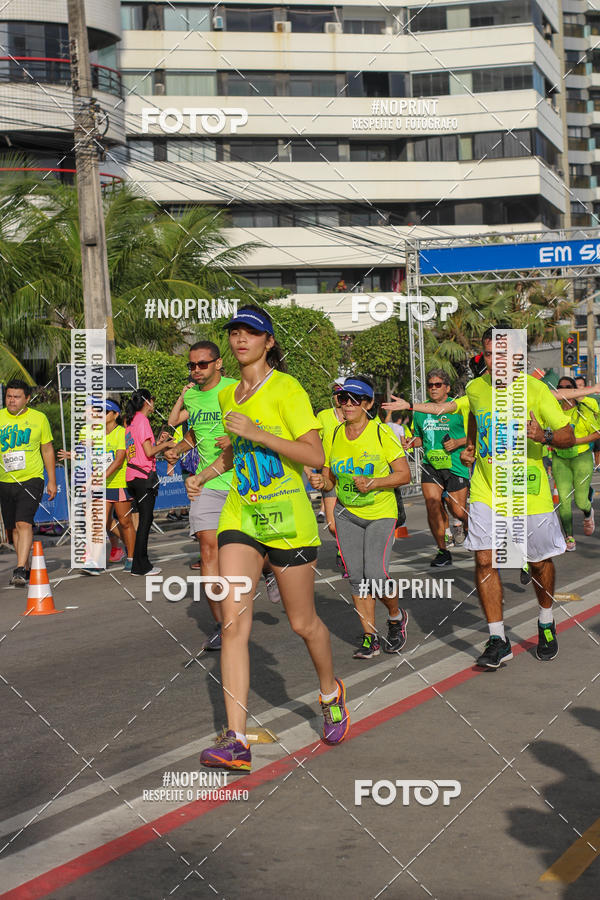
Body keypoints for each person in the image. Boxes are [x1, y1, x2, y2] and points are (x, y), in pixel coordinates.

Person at [187, 305, 348, 772]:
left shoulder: (288, 388)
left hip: (288, 520)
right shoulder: (226, 395)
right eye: (234, 333)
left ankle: (330, 693)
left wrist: (258, 431)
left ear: (268, 342)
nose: (241, 340)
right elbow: (240, 454)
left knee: (303, 624)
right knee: (235, 624)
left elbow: (314, 454)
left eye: (250, 334)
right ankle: (236, 740)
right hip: (242, 515)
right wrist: (206, 473)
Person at [310, 376, 411, 660]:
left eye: (356, 400)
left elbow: (404, 475)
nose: (348, 405)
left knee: (375, 576)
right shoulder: (333, 435)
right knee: (357, 578)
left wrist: (374, 482)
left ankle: (395, 616)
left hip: (380, 512)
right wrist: (321, 483)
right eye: (343, 399)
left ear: (368, 404)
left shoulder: (382, 433)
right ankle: (370, 637)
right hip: (347, 513)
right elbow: (330, 480)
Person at [165, 341, 239, 648]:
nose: (196, 370)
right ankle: (223, 626)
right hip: (207, 485)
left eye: (202, 364)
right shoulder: (192, 397)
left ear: (219, 364)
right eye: (192, 365)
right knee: (208, 551)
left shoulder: (237, 389)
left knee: (254, 548)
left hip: (242, 482)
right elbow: (194, 433)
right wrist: (178, 449)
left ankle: (269, 569)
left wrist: (236, 435)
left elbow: (263, 425)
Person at [383, 370, 470, 567]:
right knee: (432, 503)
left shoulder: (458, 408)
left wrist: (458, 442)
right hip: (431, 466)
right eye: (430, 385)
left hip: (456, 465)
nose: (433, 388)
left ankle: (470, 526)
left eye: (438, 384)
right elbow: (420, 437)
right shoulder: (421, 411)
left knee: (457, 510)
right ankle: (443, 551)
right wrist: (410, 442)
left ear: (447, 387)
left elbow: (474, 434)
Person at [0, 380, 56, 586]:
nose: (11, 400)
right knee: (12, 528)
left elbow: (47, 449)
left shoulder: (38, 418)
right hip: (4, 480)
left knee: (24, 522)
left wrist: (52, 480)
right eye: (8, 396)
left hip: (31, 479)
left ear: (27, 399)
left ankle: (20, 568)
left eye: (16, 397)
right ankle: (25, 565)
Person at [124, 389, 173, 577]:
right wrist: (167, 445)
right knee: (146, 520)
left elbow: (144, 450)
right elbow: (149, 453)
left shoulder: (130, 421)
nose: (154, 404)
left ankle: (139, 562)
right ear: (147, 402)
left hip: (132, 476)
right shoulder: (142, 421)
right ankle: (140, 565)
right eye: (153, 400)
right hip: (143, 477)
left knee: (144, 520)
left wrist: (159, 442)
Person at [551, 376, 600, 550]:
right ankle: (569, 537)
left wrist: (574, 441)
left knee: (580, 501)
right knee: (563, 500)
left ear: (574, 390)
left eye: (567, 387)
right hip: (559, 458)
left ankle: (588, 512)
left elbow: (597, 433)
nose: (563, 390)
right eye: (560, 387)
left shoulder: (584, 408)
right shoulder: (552, 410)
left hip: (581, 457)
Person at [311, 383, 348, 577]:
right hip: (329, 473)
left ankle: (348, 554)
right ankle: (345, 549)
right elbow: (314, 441)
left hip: (352, 472)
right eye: (336, 394)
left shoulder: (356, 414)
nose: (339, 397)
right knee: (333, 524)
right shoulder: (323, 416)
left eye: (342, 393)